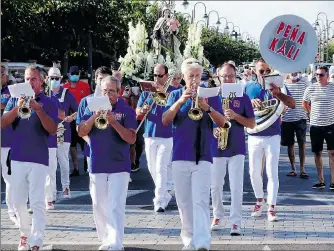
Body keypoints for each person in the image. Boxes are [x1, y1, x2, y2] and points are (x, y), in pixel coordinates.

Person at [162, 58, 226, 251]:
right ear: (183, 77)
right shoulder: (174, 95)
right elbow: (165, 120)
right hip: (180, 155)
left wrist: (207, 107)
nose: (195, 80)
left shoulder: (211, 95)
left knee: (200, 200)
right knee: (183, 202)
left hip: (203, 155)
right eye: (191, 76)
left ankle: (202, 241)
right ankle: (188, 239)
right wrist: (181, 100)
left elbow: (223, 123)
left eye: (198, 76)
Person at [1, 65, 58, 251]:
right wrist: (17, 107)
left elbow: (52, 129)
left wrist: (39, 110)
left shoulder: (49, 102)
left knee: (37, 201)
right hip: (18, 156)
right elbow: (3, 122)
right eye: (26, 79)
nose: (29, 82)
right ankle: (25, 233)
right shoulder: (15, 98)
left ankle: (36, 240)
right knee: (17, 201)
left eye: (33, 79)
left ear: (42, 81)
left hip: (39, 157)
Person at [78, 76, 136, 251]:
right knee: (98, 204)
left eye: (111, 91)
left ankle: (116, 242)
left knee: (116, 204)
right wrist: (93, 117)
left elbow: (131, 138)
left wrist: (114, 123)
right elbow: (81, 132)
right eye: (105, 91)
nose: (108, 94)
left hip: (120, 164)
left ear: (118, 92)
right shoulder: (91, 107)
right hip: (97, 163)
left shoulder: (126, 110)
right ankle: (106, 239)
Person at [244, 58, 295, 222]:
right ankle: (259, 200)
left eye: (268, 71)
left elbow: (292, 104)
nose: (265, 74)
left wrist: (278, 93)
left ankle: (271, 207)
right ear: (254, 72)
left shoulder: (279, 86)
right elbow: (238, 108)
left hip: (273, 134)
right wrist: (250, 103)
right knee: (253, 171)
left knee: (271, 172)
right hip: (253, 134)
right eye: (262, 71)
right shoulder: (248, 87)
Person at [210, 62, 255, 235]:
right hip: (217, 147)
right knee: (215, 186)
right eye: (224, 76)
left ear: (235, 77)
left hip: (236, 147)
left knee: (236, 186)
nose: (227, 79)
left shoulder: (243, 97)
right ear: (218, 77)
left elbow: (251, 124)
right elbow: (204, 122)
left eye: (230, 76)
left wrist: (236, 116)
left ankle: (235, 222)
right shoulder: (212, 97)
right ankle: (217, 215)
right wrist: (213, 128)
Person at [136, 64, 175, 212]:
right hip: (150, 134)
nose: (157, 79)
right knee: (153, 169)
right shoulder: (147, 92)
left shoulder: (173, 92)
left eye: (160, 75)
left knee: (160, 168)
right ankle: (167, 192)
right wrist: (143, 109)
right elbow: (137, 112)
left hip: (167, 135)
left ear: (166, 76)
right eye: (154, 75)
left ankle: (159, 201)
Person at [76, 66, 113, 174]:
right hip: (93, 151)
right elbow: (79, 127)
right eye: (101, 79)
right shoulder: (85, 101)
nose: (103, 82)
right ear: (96, 79)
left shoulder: (115, 100)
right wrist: (91, 142)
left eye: (106, 79)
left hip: (112, 151)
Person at [48, 66, 78, 199]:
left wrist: (71, 117)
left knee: (63, 162)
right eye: (51, 78)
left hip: (63, 133)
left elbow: (77, 111)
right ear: (47, 79)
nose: (54, 80)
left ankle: (66, 188)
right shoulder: (44, 94)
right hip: (48, 132)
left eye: (56, 78)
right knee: (50, 165)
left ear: (60, 79)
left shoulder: (66, 93)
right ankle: (51, 193)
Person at [302, 66, 334, 190]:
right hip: (315, 125)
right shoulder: (310, 88)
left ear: (327, 75)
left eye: (321, 75)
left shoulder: (332, 88)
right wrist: (311, 113)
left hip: (331, 124)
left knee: (332, 152)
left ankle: (333, 181)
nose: (318, 77)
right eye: (316, 74)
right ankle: (321, 180)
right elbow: (304, 103)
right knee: (317, 153)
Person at [63, 66, 91, 176]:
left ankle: (86, 162)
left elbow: (88, 101)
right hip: (70, 119)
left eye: (77, 73)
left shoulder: (84, 86)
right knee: (72, 145)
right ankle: (75, 168)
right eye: (73, 73)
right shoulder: (65, 87)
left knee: (84, 141)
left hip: (83, 117)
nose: (75, 74)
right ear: (69, 74)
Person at [281, 72, 309, 179]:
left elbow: (309, 96)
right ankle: (293, 169)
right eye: (292, 70)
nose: (294, 72)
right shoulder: (283, 83)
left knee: (302, 144)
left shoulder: (304, 82)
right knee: (290, 144)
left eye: (296, 70)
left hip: (300, 118)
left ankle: (302, 169)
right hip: (287, 118)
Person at [1, 64, 18, 226]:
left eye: (1, 74)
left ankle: (12, 210)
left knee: (9, 178)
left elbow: (3, 106)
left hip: (5, 140)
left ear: (5, 76)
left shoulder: (9, 92)